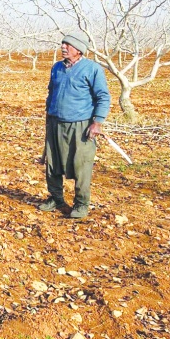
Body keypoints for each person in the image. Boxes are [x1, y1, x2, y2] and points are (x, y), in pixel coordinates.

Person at [39, 31, 110, 219]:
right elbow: (51, 93)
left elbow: (103, 97)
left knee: (81, 165)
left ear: (79, 50)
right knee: (52, 164)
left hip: (80, 126)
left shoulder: (92, 69)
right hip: (55, 123)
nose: (63, 47)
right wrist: (48, 117)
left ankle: (81, 204)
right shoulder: (56, 68)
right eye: (63, 44)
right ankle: (56, 198)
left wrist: (97, 122)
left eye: (68, 45)